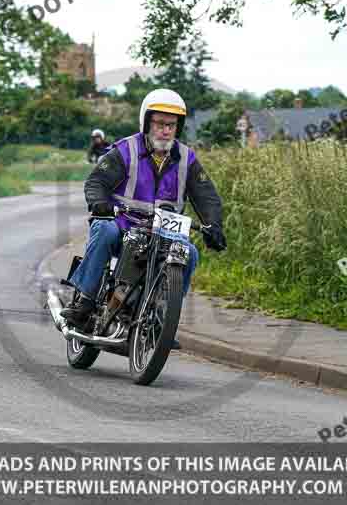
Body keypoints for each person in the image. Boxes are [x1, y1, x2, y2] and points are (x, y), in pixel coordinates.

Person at [61, 89, 227, 343]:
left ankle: (162, 317)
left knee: (189, 252)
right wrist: (100, 203)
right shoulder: (125, 150)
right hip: (120, 224)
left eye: (171, 125)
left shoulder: (187, 159)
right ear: (147, 122)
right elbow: (96, 182)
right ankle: (85, 301)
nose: (165, 130)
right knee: (104, 231)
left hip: (163, 232)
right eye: (160, 124)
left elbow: (207, 196)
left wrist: (213, 225)